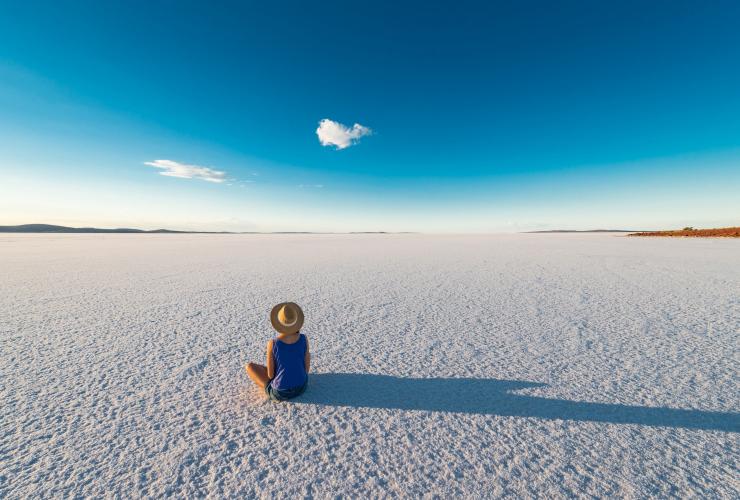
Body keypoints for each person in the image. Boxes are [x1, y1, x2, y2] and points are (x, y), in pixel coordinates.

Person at [245, 302, 310, 401]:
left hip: (281, 392)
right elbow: (306, 369)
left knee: (250, 367)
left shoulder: (273, 343)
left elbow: (270, 375)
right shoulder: (304, 339)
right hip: (302, 387)